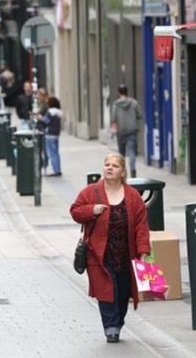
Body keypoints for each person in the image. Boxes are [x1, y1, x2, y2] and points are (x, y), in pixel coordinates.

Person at [69, 152, 151, 343]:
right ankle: (111, 328)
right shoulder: (91, 192)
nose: (109, 168)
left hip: (125, 253)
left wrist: (143, 250)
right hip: (98, 254)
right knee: (106, 290)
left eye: (115, 165)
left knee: (122, 292)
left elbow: (141, 225)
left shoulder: (132, 196)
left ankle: (118, 321)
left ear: (122, 171)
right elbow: (75, 211)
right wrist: (92, 210)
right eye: (107, 164)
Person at [110, 84, 142, 178]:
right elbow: (140, 115)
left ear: (119, 92)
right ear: (127, 92)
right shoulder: (134, 103)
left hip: (121, 132)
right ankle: (133, 171)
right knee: (131, 152)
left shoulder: (116, 104)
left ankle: (122, 173)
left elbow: (113, 118)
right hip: (132, 131)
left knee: (121, 154)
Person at [42, 96, 63, 176]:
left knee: (51, 153)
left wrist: (40, 118)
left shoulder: (50, 112)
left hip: (49, 134)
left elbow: (45, 121)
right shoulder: (58, 112)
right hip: (56, 134)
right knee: (56, 153)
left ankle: (56, 171)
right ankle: (58, 169)